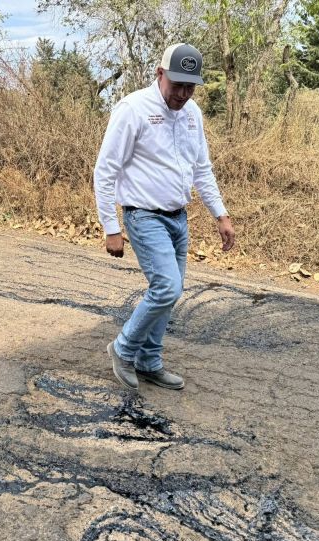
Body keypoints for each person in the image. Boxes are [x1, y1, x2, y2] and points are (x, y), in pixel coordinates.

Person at [94, 43, 236, 392]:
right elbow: (105, 169)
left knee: (170, 293)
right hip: (143, 215)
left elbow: (202, 168)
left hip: (178, 218)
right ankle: (123, 349)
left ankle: (149, 361)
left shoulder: (192, 114)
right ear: (160, 74)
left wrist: (221, 214)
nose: (183, 94)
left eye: (190, 87)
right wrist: (111, 226)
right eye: (177, 85)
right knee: (167, 287)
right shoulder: (133, 109)